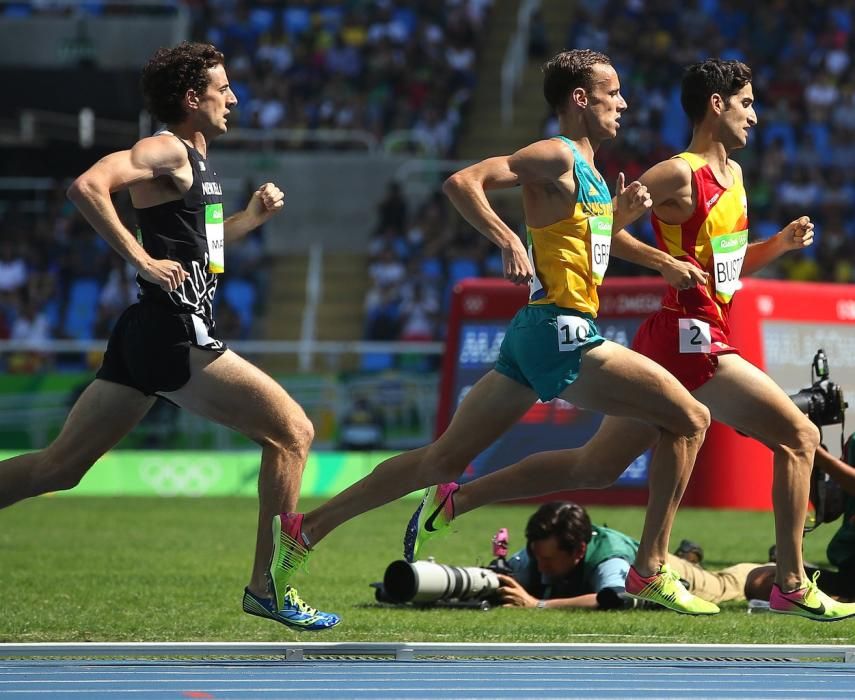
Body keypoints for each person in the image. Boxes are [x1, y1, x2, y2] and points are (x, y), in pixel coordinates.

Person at [268, 49, 718, 618]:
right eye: (614, 92)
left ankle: (306, 529)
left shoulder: (594, 176)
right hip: (561, 329)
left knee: (441, 461)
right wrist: (506, 236)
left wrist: (621, 215)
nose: (624, 103)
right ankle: (650, 569)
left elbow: (580, 246)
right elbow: (464, 182)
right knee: (690, 418)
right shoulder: (556, 154)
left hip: (536, 331)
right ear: (581, 99)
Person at [407, 58, 855, 622]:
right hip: (686, 335)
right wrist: (661, 259)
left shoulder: (735, 179)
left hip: (701, 330)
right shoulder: (676, 172)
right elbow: (603, 224)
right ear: (716, 105)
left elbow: (727, 267)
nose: (755, 117)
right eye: (746, 103)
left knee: (593, 466)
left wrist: (778, 247)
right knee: (798, 434)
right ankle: (785, 582)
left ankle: (460, 497)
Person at [0, 42, 339, 631]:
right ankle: (269, 587)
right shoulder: (165, 148)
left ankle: (268, 585)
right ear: (192, 98)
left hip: (147, 332)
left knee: (59, 469)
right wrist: (139, 258)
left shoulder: (200, 164)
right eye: (223, 88)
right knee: (293, 434)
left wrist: (251, 218)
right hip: (173, 330)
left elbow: (201, 252)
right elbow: (87, 186)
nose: (234, 97)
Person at [496, 501, 763, 610]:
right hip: (645, 557)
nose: (540, 566)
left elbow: (615, 598)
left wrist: (539, 604)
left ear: (578, 551)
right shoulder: (541, 549)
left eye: (549, 561)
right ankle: (688, 554)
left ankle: (783, 567)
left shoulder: (608, 561)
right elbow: (499, 577)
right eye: (537, 556)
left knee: (732, 583)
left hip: (676, 576)